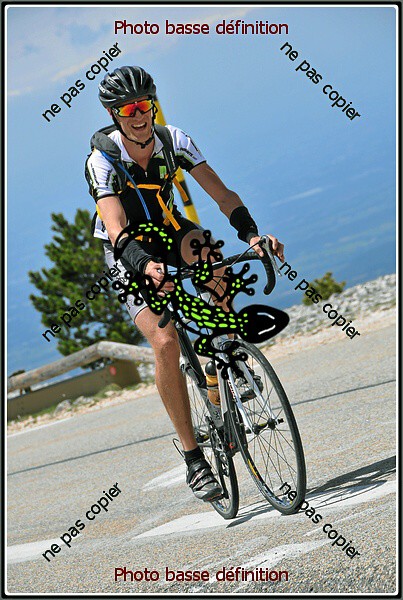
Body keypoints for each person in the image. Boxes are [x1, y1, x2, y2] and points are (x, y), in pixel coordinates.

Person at [85, 66, 284, 502]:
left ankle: (222, 361)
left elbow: (223, 195)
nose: (139, 115)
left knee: (214, 262)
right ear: (114, 114)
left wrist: (251, 235)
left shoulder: (174, 140)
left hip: (170, 229)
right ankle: (194, 459)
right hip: (127, 249)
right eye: (128, 109)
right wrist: (144, 266)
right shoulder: (102, 160)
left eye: (144, 105)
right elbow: (116, 229)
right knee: (165, 342)